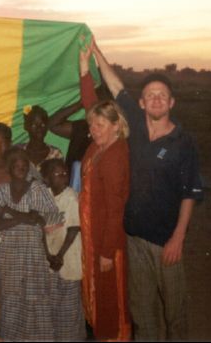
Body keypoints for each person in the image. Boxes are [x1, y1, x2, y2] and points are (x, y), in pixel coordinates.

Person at [86, 39, 204, 340]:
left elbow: (190, 193)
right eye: (150, 95)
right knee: (142, 314)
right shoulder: (135, 127)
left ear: (171, 103)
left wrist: (178, 238)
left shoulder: (183, 142)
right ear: (141, 103)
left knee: (175, 315)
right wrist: (96, 52)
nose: (155, 99)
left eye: (162, 95)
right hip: (134, 239)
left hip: (166, 243)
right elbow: (115, 88)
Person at [77, 46, 132, 340]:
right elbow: (91, 106)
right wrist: (85, 67)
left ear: (115, 126)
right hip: (94, 235)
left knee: (111, 303)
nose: (94, 128)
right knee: (99, 299)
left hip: (106, 241)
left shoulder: (114, 156)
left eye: (100, 125)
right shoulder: (101, 145)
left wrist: (108, 252)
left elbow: (116, 209)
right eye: (92, 125)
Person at [0, 147, 63, 341]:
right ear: (9, 167)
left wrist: (10, 212)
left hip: (34, 255)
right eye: (16, 163)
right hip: (9, 257)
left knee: (36, 302)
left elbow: (47, 221)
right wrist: (26, 217)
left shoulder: (38, 188)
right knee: (10, 301)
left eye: (24, 163)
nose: (21, 166)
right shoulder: (0, 191)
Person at [40, 158, 86, 341]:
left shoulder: (71, 197)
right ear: (47, 178)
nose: (63, 176)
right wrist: (48, 254)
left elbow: (74, 228)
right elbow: (40, 230)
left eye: (65, 173)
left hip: (67, 260)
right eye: (57, 174)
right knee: (51, 307)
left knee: (69, 309)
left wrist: (59, 255)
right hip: (50, 261)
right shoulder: (45, 197)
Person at [14, 105, 64, 172]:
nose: (39, 129)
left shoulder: (55, 154)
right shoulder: (17, 151)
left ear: (47, 127)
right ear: (26, 126)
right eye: (34, 125)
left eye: (42, 125)